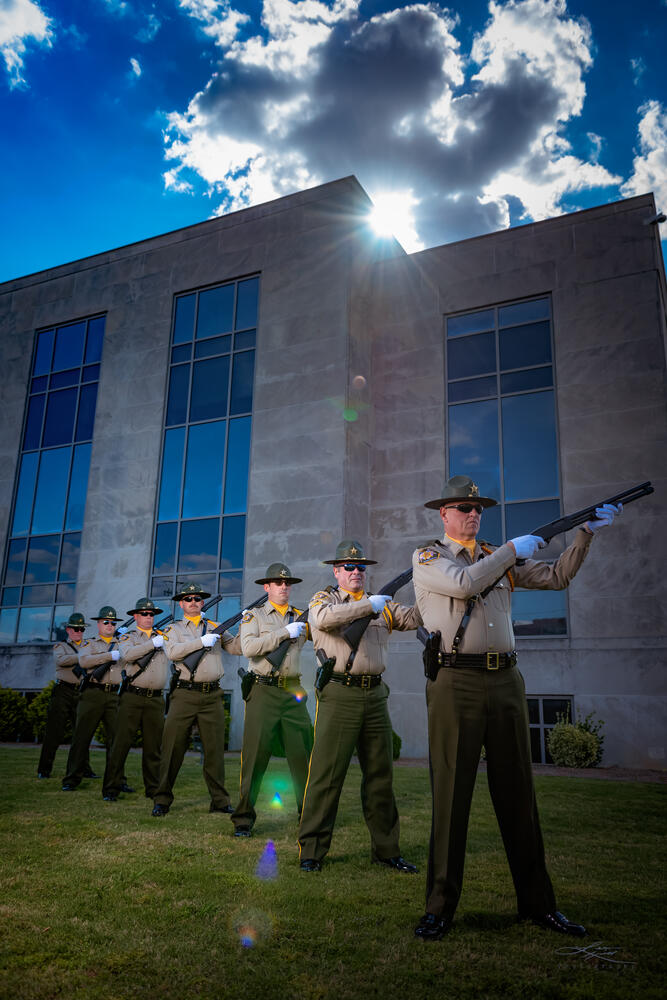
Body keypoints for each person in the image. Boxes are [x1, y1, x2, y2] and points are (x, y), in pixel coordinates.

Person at [412, 475, 621, 941]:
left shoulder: (495, 557)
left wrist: (585, 532)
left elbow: (556, 576)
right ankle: (440, 908)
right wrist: (511, 549)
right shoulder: (429, 557)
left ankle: (538, 904)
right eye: (462, 508)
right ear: (443, 514)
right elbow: (464, 586)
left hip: (505, 679)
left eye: (478, 508)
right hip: (455, 681)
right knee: (451, 797)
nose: (472, 514)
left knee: (519, 796)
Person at [297, 540, 420, 873]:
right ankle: (311, 850)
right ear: (336, 572)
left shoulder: (381, 605)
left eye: (361, 568)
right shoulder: (324, 600)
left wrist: (432, 585)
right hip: (340, 693)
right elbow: (321, 620)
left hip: (375, 694)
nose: (356, 572)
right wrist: (369, 607)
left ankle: (386, 849)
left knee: (380, 775)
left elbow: (414, 617)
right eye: (349, 567)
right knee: (326, 775)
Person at [232, 563, 312, 837]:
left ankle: (308, 815)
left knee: (303, 755)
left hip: (293, 689)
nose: (284, 587)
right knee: (255, 757)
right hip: (263, 689)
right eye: (278, 583)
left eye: (287, 583)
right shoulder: (252, 616)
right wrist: (283, 633)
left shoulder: (302, 617)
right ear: (267, 587)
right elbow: (249, 648)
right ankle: (243, 819)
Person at [151, 582, 241, 817]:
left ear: (202, 602)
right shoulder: (173, 629)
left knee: (214, 752)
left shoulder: (214, 626)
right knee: (172, 748)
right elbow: (173, 652)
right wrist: (201, 642)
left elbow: (236, 648)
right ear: (182, 603)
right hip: (184, 694)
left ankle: (220, 801)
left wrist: (250, 624)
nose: (193, 602)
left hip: (212, 695)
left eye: (198, 599)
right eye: (188, 599)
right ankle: (162, 799)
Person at [102, 598, 169, 802]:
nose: (149, 617)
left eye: (151, 614)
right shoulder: (127, 637)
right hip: (133, 696)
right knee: (120, 744)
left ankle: (153, 788)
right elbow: (128, 655)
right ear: (135, 616)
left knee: (153, 747)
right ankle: (111, 788)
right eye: (144, 614)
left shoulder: (164, 636)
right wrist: (152, 644)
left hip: (156, 699)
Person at [61, 606, 132, 792]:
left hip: (114, 695)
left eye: (113, 623)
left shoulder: (123, 642)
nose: (110, 625)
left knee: (116, 742)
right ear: (99, 624)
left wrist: (126, 639)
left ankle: (118, 780)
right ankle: (71, 779)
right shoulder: (89, 643)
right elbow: (83, 661)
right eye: (106, 622)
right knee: (81, 738)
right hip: (92, 694)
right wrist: (109, 655)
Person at [37, 612, 96, 780]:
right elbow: (61, 661)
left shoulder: (87, 645)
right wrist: (83, 657)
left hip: (81, 691)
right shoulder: (60, 646)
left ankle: (84, 768)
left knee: (81, 733)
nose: (79, 632)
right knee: (54, 732)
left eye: (81, 629)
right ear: (68, 629)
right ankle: (44, 769)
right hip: (63, 692)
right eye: (76, 629)